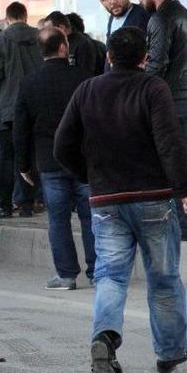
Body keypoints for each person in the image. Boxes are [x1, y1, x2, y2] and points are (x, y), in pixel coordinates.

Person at [54, 26, 187, 373]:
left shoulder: (87, 90)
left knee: (111, 277)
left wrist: (89, 176)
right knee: (164, 278)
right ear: (145, 57)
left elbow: (62, 145)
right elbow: (169, 142)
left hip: (105, 201)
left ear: (108, 57)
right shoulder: (153, 88)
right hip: (153, 199)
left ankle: (105, 338)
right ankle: (171, 353)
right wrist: (183, 188)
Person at [14, 27, 94, 290]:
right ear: (63, 47)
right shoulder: (83, 79)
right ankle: (98, 271)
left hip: (49, 161)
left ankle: (67, 275)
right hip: (83, 160)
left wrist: (23, 165)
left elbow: (21, 129)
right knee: (90, 217)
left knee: (58, 220)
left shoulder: (28, 83)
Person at [139, 0, 187, 240]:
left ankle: (181, 225)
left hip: (173, 101)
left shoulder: (160, 19)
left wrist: (142, 92)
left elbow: (156, 63)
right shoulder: (184, 13)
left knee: (173, 160)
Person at [0, 2, 43, 218]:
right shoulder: (41, 37)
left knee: (7, 158)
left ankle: (5, 205)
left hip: (8, 110)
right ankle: (28, 204)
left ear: (7, 19)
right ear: (26, 17)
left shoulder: (0, 40)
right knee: (30, 157)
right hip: (36, 109)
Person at [41, 10, 98, 75]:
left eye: (50, 30)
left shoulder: (82, 43)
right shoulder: (56, 43)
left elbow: (86, 72)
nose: (48, 34)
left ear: (62, 27)